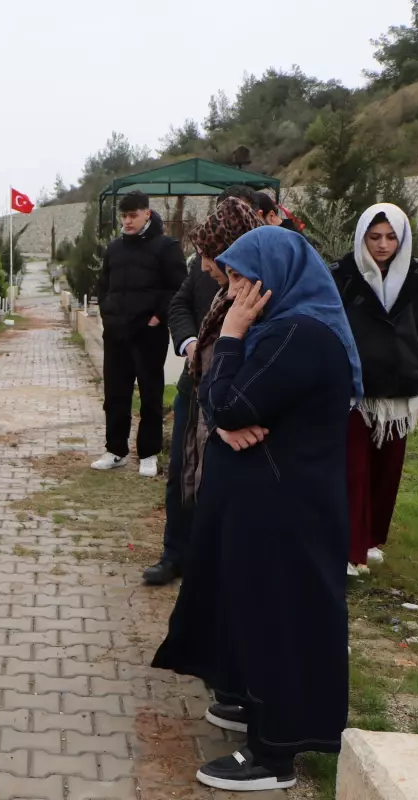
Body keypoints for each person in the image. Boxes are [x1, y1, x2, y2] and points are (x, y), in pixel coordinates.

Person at [153, 226, 361, 791]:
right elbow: (219, 401)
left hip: (285, 511)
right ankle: (256, 707)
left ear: (276, 276)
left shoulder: (298, 334)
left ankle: (275, 754)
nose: (233, 291)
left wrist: (232, 337)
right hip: (268, 503)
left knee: (279, 621)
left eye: (244, 279)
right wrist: (225, 416)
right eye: (230, 279)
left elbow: (226, 401)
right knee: (255, 614)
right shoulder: (283, 327)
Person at [143, 193, 266, 586]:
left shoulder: (261, 282)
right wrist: (191, 344)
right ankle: (174, 553)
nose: (208, 266)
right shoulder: (202, 268)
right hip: (194, 386)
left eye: (212, 258)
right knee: (182, 470)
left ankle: (212, 561)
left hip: (235, 397)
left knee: (220, 480)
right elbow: (179, 306)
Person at [333, 203, 418, 574]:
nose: (383, 245)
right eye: (374, 237)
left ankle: (369, 540)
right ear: (362, 237)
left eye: (390, 237)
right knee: (353, 469)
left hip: (401, 390)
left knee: (387, 472)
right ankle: (349, 548)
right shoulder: (342, 276)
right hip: (354, 390)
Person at [93, 191, 187, 477]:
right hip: (116, 334)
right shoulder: (114, 249)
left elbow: (178, 288)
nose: (127, 221)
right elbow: (103, 286)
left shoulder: (167, 247)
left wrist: (158, 317)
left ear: (147, 213)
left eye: (133, 215)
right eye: (123, 216)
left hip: (149, 334)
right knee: (115, 395)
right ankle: (115, 450)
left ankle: (148, 453)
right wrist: (108, 313)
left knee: (150, 394)